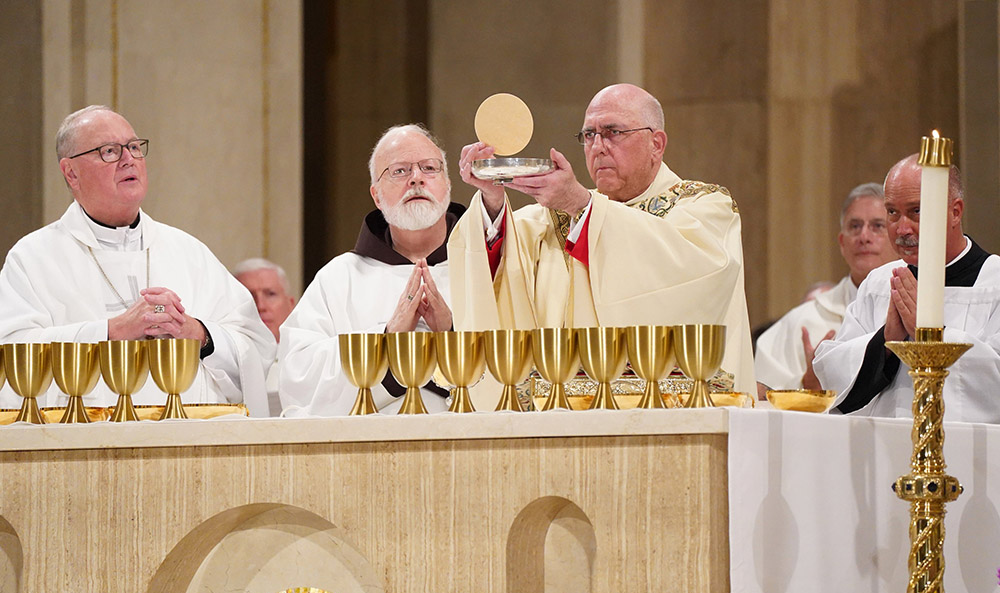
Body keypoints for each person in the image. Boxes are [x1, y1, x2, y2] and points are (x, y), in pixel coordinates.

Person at [449, 83, 754, 393]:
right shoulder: (557, 215)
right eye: (589, 135)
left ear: (656, 144)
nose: (597, 146)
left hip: (670, 414)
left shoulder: (705, 206)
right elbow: (501, 256)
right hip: (564, 416)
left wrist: (582, 205)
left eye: (613, 133)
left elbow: (692, 272)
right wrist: (492, 198)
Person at [0, 105, 274, 415]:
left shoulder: (187, 251)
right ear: (71, 173)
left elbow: (257, 347)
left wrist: (196, 332)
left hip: (186, 446)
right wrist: (110, 331)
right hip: (82, 449)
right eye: (108, 151)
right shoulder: (34, 257)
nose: (129, 159)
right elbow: (11, 357)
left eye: (133, 147)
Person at [279, 124, 463, 416]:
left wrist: (452, 336)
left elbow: (519, 369)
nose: (416, 179)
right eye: (399, 171)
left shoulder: (486, 268)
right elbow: (298, 378)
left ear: (447, 184)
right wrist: (387, 341)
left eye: (429, 168)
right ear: (376, 196)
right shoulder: (339, 278)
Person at [813, 156, 1000, 423]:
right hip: (885, 452)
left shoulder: (995, 283)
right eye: (892, 212)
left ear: (955, 211)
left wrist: (932, 338)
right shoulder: (879, 283)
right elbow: (835, 377)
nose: (901, 229)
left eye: (916, 211)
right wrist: (885, 342)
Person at [755, 183, 898, 395]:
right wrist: (807, 384)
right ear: (842, 242)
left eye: (877, 226)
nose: (864, 237)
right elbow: (761, 395)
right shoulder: (801, 322)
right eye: (855, 226)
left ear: (897, 238)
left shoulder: (918, 312)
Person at [234, 257, 297, 416]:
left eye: (270, 294)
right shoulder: (220, 368)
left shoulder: (307, 360)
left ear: (290, 305)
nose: (260, 306)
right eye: (249, 296)